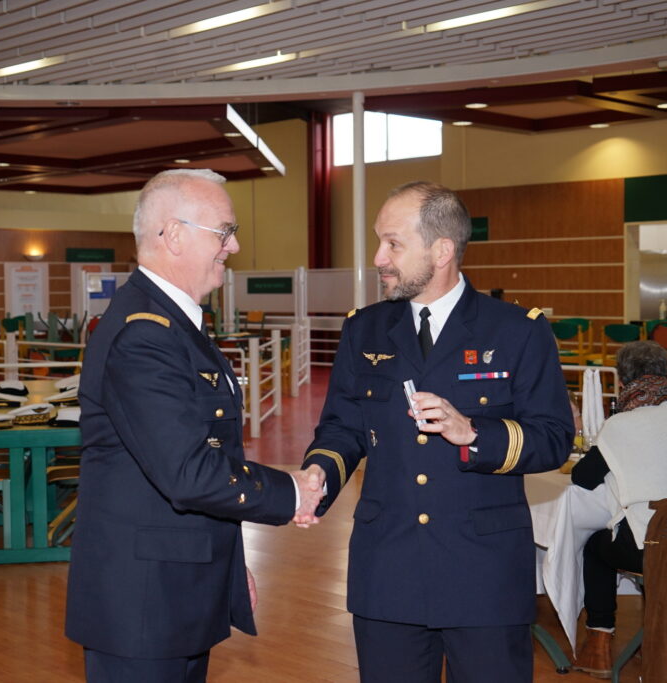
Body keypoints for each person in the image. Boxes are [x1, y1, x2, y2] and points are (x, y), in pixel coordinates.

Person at [301, 181, 574, 682]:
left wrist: (474, 432)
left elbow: (554, 438)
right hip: (388, 566)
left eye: (393, 244)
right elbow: (342, 426)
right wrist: (319, 472)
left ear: (442, 249)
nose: (378, 257)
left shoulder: (517, 330)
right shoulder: (365, 329)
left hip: (484, 572)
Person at [65, 168, 325, 682]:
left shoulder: (172, 324)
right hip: (141, 607)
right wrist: (292, 492)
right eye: (224, 231)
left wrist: (228, 567)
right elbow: (188, 472)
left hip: (175, 589)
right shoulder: (144, 334)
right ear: (175, 235)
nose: (234, 246)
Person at [569, 341, 667, 678]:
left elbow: (583, 478)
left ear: (622, 382)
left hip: (657, 548)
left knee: (595, 545)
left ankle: (599, 646)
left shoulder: (621, 424)